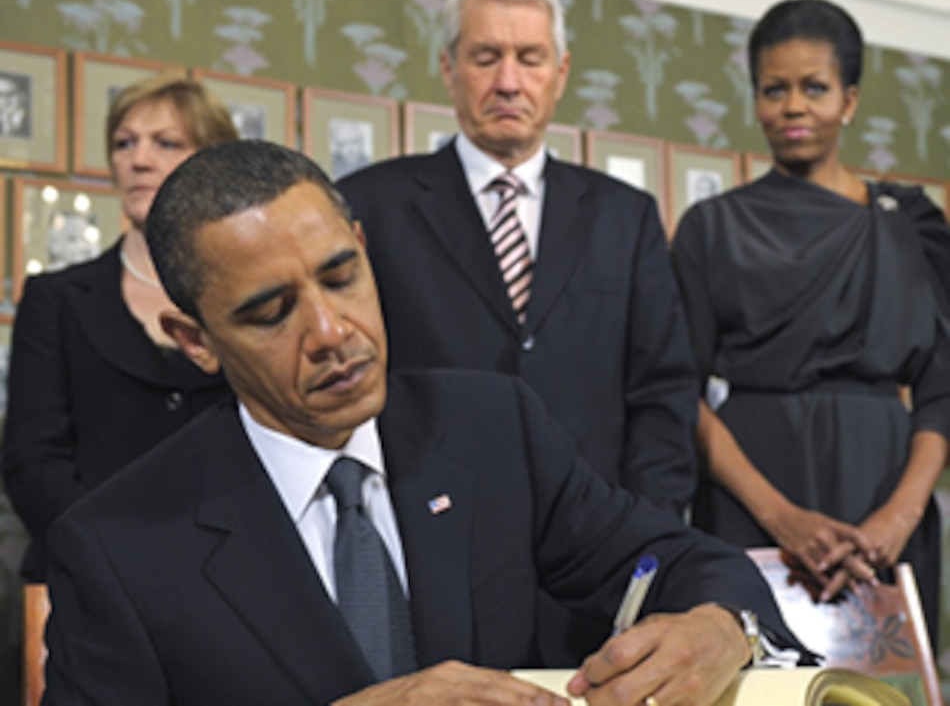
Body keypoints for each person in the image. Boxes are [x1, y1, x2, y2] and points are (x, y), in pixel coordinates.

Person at [42, 140, 803, 706]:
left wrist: (725, 625)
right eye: (269, 313)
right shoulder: (117, 546)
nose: (332, 332)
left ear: (366, 251)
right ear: (197, 340)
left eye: (341, 277)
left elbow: (676, 560)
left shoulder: (491, 426)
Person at [337, 0, 698, 519]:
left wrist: (646, 530)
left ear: (561, 71)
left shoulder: (626, 216)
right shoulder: (370, 205)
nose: (508, 82)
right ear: (448, 68)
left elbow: (662, 395)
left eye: (530, 58)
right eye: (486, 58)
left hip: (594, 537)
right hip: (427, 530)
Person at [671, 0, 950, 644]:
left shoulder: (910, 226)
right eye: (775, 89)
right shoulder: (711, 228)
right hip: (750, 505)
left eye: (814, 87)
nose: (793, 106)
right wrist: (783, 518)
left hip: (887, 502)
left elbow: (941, 393)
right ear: (756, 99)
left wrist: (896, 520)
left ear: (849, 100)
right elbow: (680, 392)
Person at [1, 73, 239, 581]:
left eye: (166, 142)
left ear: (212, 160)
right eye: (124, 143)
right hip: (85, 574)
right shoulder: (57, 299)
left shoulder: (244, 298)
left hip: (233, 575)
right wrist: (113, 552)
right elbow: (31, 460)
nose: (138, 159)